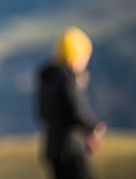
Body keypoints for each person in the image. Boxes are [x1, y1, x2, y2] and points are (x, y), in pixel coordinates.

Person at [38, 27, 106, 179]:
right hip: (72, 147)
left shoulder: (47, 78)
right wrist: (94, 126)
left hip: (53, 148)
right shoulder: (67, 80)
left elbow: (41, 113)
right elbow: (77, 110)